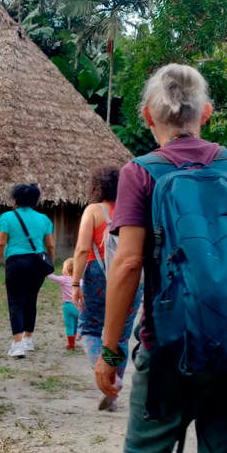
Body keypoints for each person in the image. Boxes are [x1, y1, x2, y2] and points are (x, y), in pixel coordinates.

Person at [94, 63, 227, 453]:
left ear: (147, 116)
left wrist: (110, 352)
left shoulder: (139, 173)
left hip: (169, 350)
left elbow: (127, 264)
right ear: (207, 113)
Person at [72, 165, 142, 412]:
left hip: (98, 276)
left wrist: (75, 283)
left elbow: (82, 249)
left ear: (97, 186)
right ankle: (112, 393)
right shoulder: (133, 210)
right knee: (121, 336)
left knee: (89, 328)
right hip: (131, 278)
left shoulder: (93, 211)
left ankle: (107, 377)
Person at [0, 183, 55, 359]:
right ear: (35, 200)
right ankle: (28, 339)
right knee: (31, 300)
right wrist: (49, 262)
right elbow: (50, 245)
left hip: (16, 263)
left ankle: (18, 344)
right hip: (37, 263)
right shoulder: (44, 219)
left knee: (16, 301)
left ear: (16, 199)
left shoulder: (7, 217)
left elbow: (1, 243)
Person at [47, 259, 80, 350]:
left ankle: (71, 344)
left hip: (68, 306)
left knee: (69, 325)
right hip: (78, 307)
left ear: (66, 269)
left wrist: (46, 269)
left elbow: (52, 277)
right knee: (76, 325)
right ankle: (74, 340)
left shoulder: (64, 279)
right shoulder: (80, 281)